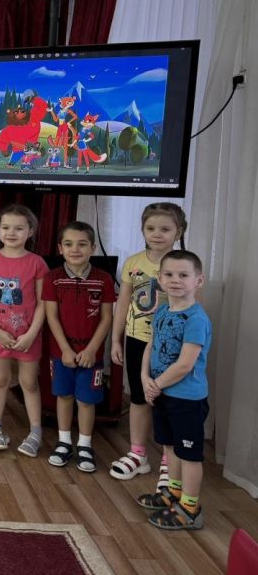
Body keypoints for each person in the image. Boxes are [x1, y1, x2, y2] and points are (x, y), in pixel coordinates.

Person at [110, 203, 188, 485]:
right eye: (151, 228)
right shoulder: (133, 262)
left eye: (165, 229)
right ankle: (138, 454)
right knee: (139, 397)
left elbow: (193, 308)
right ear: (142, 230)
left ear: (179, 232)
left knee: (167, 401)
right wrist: (116, 339)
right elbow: (123, 303)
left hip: (170, 344)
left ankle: (168, 461)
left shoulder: (184, 265)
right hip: (136, 339)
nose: (157, 234)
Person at [136, 250, 210, 531]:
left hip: (186, 399)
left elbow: (185, 364)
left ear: (198, 280)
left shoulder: (196, 319)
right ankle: (174, 493)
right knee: (170, 446)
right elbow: (151, 345)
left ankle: (190, 509)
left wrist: (155, 385)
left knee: (189, 454)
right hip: (162, 394)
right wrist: (144, 377)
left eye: (183, 275)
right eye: (169, 274)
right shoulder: (163, 310)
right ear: (159, 278)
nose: (175, 280)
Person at [43, 221, 115, 473]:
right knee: (64, 396)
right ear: (60, 248)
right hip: (61, 353)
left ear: (93, 248)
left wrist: (92, 350)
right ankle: (64, 442)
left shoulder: (104, 279)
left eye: (82, 244)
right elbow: (51, 317)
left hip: (90, 355)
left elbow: (106, 318)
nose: (75, 249)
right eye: (69, 244)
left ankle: (84, 444)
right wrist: (65, 349)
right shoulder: (52, 278)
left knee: (86, 400)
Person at [0, 204, 49, 456]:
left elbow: (42, 303)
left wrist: (31, 334)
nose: (11, 233)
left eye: (18, 228)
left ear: (30, 231)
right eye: (6, 227)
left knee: (29, 382)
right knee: (0, 380)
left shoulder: (37, 263)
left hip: (29, 335)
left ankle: (35, 433)